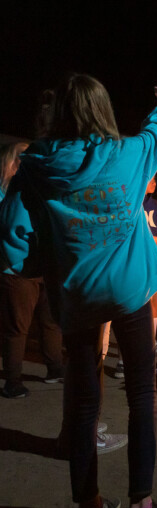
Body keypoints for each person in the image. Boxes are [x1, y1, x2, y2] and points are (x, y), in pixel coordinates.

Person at [0, 74, 157, 508]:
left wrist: (40, 266)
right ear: (103, 110)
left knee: (82, 405)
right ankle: (143, 506)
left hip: (77, 296)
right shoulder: (129, 155)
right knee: (142, 396)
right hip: (131, 292)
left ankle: (89, 506)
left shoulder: (38, 167)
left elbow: (13, 236)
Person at [0, 141, 64, 398]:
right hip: (18, 270)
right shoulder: (14, 192)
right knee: (17, 327)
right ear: (12, 162)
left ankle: (55, 368)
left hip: (42, 267)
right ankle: (12, 381)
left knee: (50, 321)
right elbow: (13, 232)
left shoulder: (33, 189)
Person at [112, 174, 157, 379]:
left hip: (152, 260)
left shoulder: (155, 205)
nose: (155, 182)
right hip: (132, 262)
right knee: (132, 307)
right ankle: (123, 362)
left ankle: (148, 354)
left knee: (154, 301)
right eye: (151, 178)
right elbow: (127, 231)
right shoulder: (129, 203)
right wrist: (155, 240)